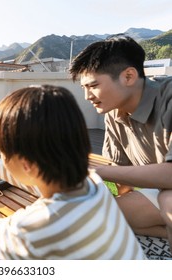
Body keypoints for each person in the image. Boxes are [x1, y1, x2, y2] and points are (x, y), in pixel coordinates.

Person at [0, 85, 146, 260]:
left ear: (27, 165)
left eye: (3, 153)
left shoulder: (39, 225)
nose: (1, 159)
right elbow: (23, 177)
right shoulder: (88, 182)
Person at [69, 34, 172, 253]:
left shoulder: (168, 99)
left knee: (168, 201)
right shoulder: (114, 113)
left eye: (93, 85)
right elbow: (120, 171)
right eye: (84, 88)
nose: (87, 96)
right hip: (164, 191)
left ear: (128, 76)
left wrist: (97, 171)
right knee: (106, 212)